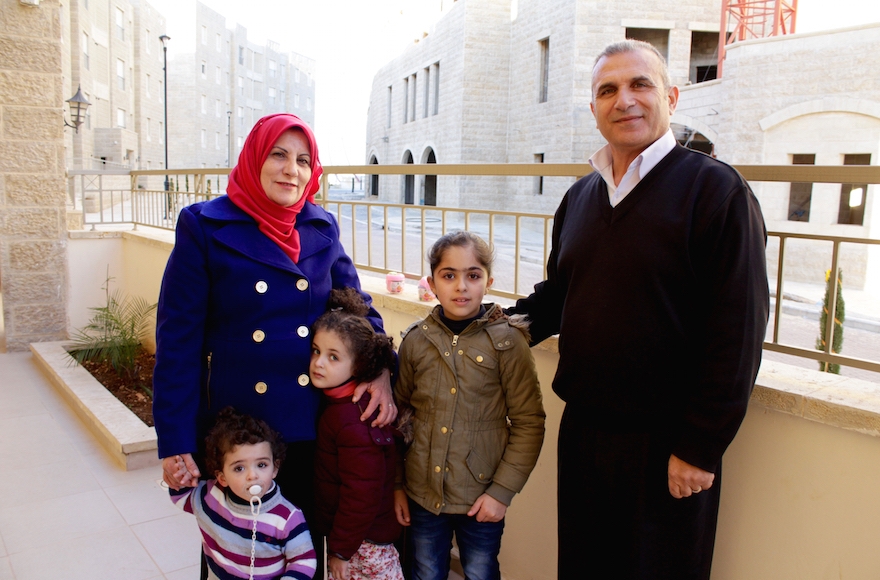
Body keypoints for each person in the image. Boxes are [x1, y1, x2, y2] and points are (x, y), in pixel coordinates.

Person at [507, 40, 770, 579]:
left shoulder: (716, 192)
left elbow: (738, 332)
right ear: (594, 109)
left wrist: (699, 447)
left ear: (670, 97)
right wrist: (488, 326)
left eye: (640, 85)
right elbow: (560, 296)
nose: (624, 100)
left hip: (669, 444)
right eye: (609, 90)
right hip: (584, 432)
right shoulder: (579, 197)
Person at [152, 113, 397, 576]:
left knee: (301, 554)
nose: (293, 170)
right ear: (254, 158)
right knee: (236, 557)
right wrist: (174, 438)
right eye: (279, 155)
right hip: (237, 436)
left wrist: (381, 369)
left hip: (310, 427)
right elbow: (177, 340)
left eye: (304, 160)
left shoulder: (321, 226)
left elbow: (358, 310)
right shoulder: (203, 226)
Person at [394, 231, 546, 580]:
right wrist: (397, 486)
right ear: (432, 283)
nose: (461, 286)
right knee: (426, 570)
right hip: (422, 495)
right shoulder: (416, 341)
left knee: (479, 571)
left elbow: (529, 422)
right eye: (449, 276)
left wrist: (501, 492)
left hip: (482, 497)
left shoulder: (508, 342)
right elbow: (398, 419)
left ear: (488, 281)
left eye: (472, 275)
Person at [310, 288, 404, 580]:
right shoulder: (338, 404)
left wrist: (340, 551)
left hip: (364, 545)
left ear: (360, 365)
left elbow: (361, 494)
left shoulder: (354, 418)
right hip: (356, 540)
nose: (319, 363)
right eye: (316, 351)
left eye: (333, 357)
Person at [169, 406, 316, 580]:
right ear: (222, 477)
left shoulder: (287, 517)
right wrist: (180, 471)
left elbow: (304, 560)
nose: (252, 475)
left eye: (261, 465)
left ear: (275, 469)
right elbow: (181, 496)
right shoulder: (210, 496)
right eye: (239, 468)